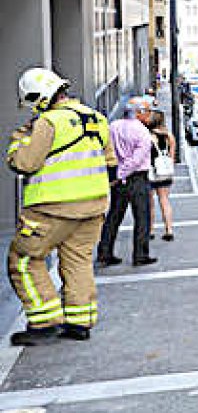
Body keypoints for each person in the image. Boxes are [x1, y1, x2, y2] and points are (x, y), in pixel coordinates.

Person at [6, 68, 115, 345]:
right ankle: (80, 322)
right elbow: (110, 163)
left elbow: (24, 163)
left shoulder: (48, 123)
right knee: (78, 261)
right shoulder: (97, 118)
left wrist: (18, 141)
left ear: (40, 97)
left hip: (50, 209)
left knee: (24, 260)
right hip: (93, 208)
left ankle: (44, 322)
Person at [97, 98, 157, 268]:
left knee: (114, 217)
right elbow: (136, 159)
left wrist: (116, 176)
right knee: (141, 218)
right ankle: (140, 255)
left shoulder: (113, 126)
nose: (149, 114)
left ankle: (105, 253)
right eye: (147, 111)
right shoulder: (142, 132)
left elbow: (107, 149)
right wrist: (122, 174)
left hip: (117, 178)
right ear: (139, 112)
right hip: (137, 177)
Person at [146, 109, 175, 241]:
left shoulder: (147, 136)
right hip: (165, 172)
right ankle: (169, 229)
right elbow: (172, 156)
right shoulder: (169, 136)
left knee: (150, 203)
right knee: (164, 200)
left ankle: (150, 230)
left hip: (151, 171)